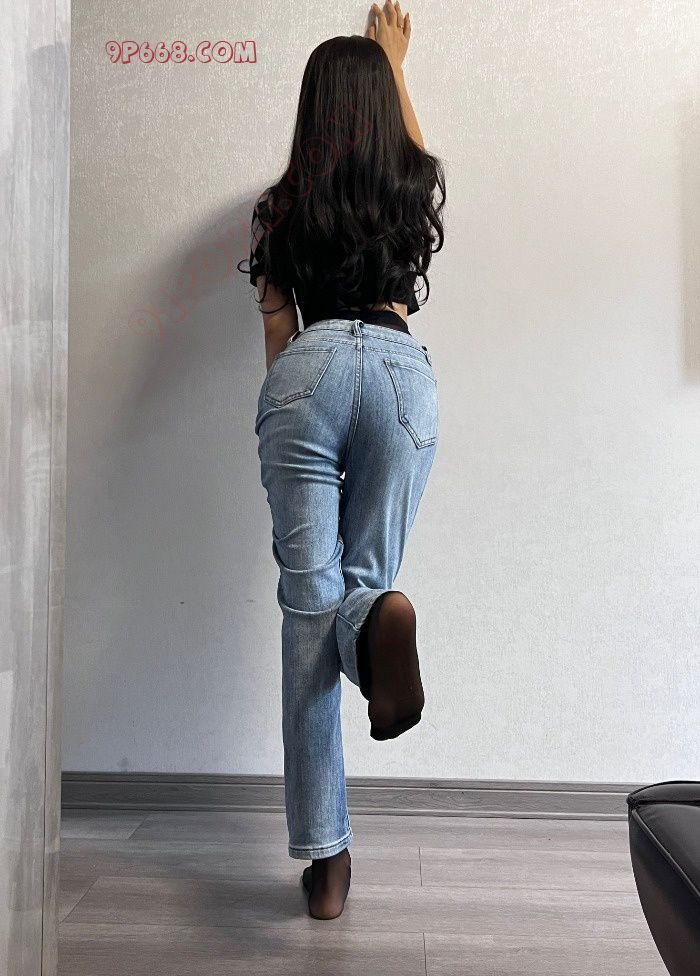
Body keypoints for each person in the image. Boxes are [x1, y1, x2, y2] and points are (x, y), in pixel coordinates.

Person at [236, 1, 446, 920]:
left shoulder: (278, 208)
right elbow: (415, 149)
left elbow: (276, 332)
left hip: (309, 369)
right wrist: (393, 60)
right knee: (364, 589)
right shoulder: (407, 181)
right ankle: (380, 622)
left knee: (307, 614)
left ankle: (327, 863)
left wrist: (289, 411)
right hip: (401, 374)